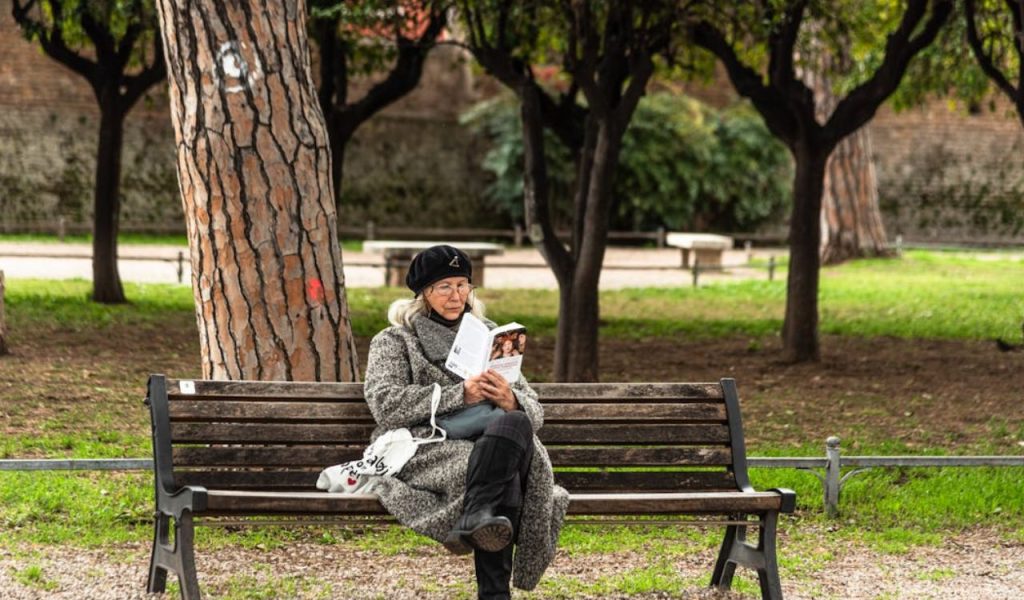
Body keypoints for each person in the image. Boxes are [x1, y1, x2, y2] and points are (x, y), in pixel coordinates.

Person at [363, 244, 569, 599]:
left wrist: (511, 399)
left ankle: (477, 516)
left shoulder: (493, 337)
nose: (456, 295)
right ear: (423, 293)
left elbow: (534, 412)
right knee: (502, 475)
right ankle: (494, 592)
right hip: (430, 444)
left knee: (516, 424)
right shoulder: (396, 340)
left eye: (463, 285)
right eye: (444, 286)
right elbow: (385, 404)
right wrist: (461, 395)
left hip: (494, 439)